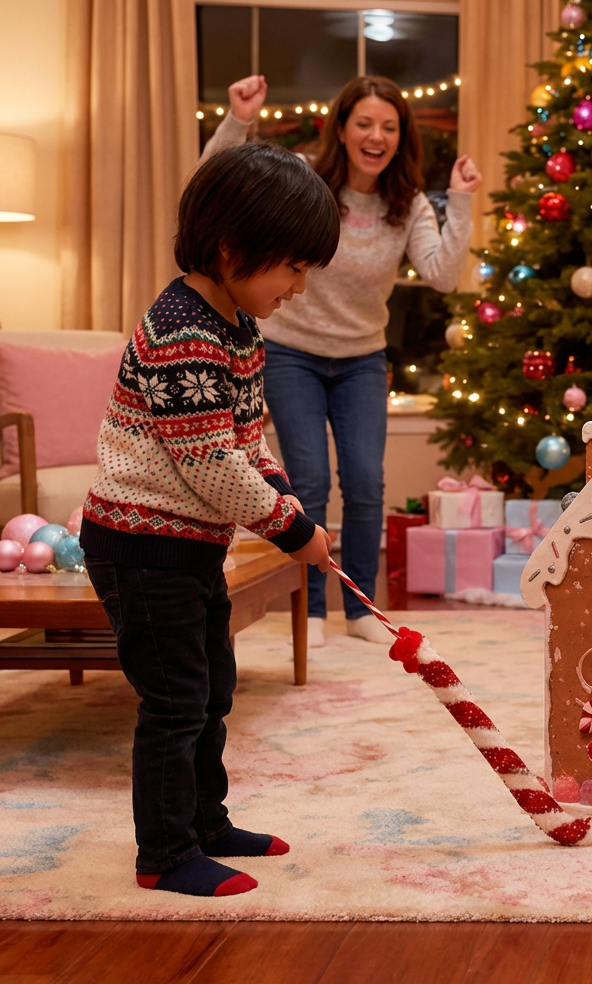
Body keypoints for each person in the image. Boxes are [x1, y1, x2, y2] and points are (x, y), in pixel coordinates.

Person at [81, 144, 338, 898]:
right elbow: (208, 463)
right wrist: (291, 531)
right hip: (140, 545)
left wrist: (286, 496)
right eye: (292, 268)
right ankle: (165, 853)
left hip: (189, 545)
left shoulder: (238, 327)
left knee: (213, 689)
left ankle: (205, 821)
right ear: (231, 250)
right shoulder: (181, 333)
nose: (298, 287)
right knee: (175, 701)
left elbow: (246, 439)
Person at [202, 74, 480, 647]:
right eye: (365, 123)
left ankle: (360, 611)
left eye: (389, 127)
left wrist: (460, 201)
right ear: (343, 128)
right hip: (293, 353)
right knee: (306, 480)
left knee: (365, 482)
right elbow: (215, 184)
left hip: (361, 359)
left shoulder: (406, 205)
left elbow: (443, 275)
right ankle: (311, 611)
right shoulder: (307, 180)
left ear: (401, 139)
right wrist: (238, 120)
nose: (376, 136)